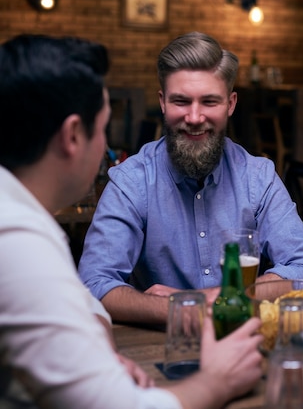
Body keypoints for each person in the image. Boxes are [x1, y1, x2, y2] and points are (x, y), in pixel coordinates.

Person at [0, 34, 263, 409]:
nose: (108, 148)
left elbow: (83, 303)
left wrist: (102, 357)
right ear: (74, 135)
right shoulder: (17, 240)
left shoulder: (20, 219)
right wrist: (218, 380)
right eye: (104, 128)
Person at [78, 32, 303, 325]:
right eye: (181, 101)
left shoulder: (259, 178)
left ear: (231, 104)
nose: (195, 117)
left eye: (209, 101)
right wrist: (187, 311)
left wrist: (222, 296)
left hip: (244, 346)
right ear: (163, 102)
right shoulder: (132, 181)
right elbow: (92, 285)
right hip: (158, 348)